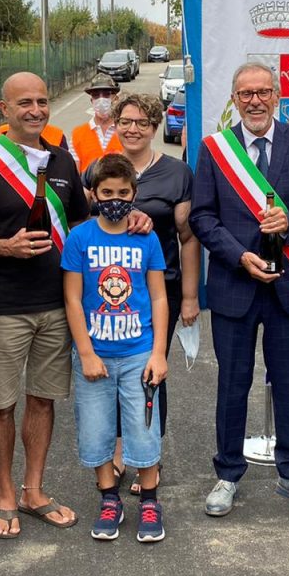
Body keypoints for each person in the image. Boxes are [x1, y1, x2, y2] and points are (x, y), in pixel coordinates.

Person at [0, 72, 92, 539]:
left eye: (42, 101)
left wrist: (131, 220)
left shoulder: (63, 160)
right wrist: (3, 247)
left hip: (57, 305)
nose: (36, 110)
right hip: (2, 307)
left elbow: (82, 227)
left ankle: (34, 491)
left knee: (43, 400)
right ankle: (5, 494)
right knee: (2, 406)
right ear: (4, 111)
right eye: (24, 102)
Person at [190, 62, 289, 518]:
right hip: (235, 285)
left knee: (288, 383)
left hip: (287, 288)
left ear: (277, 96)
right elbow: (202, 217)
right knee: (233, 385)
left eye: (263, 92)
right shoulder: (215, 149)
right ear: (234, 99)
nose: (255, 101)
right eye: (246, 93)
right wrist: (239, 257)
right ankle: (228, 474)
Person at [62, 153, 169, 542]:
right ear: (93, 193)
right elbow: (73, 299)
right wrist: (86, 353)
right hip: (96, 355)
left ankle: (150, 501)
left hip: (139, 351)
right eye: (107, 193)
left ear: (134, 194)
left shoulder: (147, 238)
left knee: (143, 428)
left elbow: (158, 296)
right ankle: (109, 498)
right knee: (95, 429)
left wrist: (158, 353)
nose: (115, 200)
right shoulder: (80, 239)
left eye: (123, 193)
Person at [96, 92, 199, 493]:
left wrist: (189, 297)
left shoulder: (177, 173)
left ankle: (149, 455)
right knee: (114, 369)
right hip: (108, 292)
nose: (133, 129)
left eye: (142, 122)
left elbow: (188, 238)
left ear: (155, 127)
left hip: (160, 290)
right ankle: (122, 450)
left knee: (150, 370)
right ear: (116, 124)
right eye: (125, 121)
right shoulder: (100, 169)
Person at [68, 74, 123, 173]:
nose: (101, 100)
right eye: (96, 95)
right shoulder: (78, 134)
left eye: (106, 94)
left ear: (115, 98)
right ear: (92, 101)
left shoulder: (126, 131)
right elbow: (74, 174)